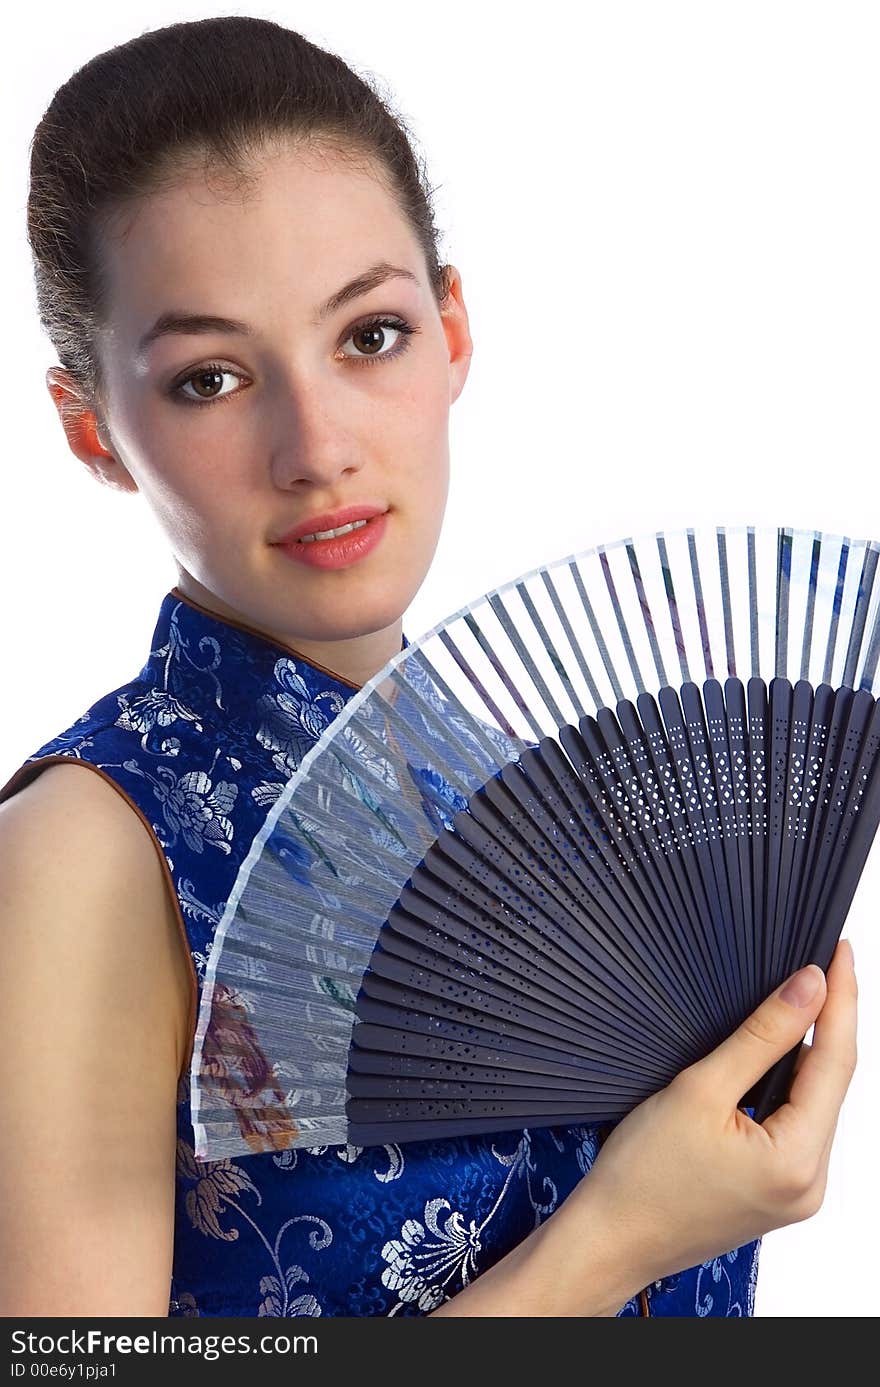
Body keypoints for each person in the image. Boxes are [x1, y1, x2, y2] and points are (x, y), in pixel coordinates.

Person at [0, 15, 858, 1318]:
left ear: (452, 328)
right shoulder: (88, 858)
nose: (317, 446)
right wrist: (618, 1236)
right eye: (212, 377)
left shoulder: (546, 795)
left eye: (369, 336)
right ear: (92, 429)